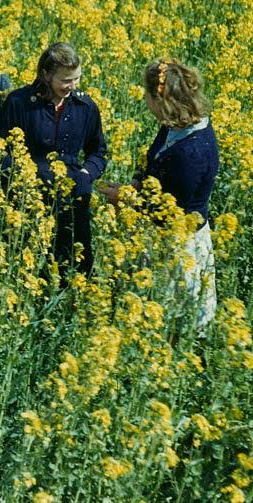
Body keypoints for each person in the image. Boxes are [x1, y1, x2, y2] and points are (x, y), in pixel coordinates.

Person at [99, 59, 219, 330]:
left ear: (161, 99)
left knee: (174, 321)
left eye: (147, 94)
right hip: (154, 235)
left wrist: (125, 198)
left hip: (178, 245)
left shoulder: (193, 151)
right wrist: (133, 185)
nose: (144, 100)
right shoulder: (173, 125)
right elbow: (152, 162)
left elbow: (173, 212)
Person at [0, 42, 108, 277]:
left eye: (76, 79)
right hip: (26, 198)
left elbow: (98, 151)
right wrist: (19, 176)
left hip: (72, 196)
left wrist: (86, 175)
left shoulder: (85, 106)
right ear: (45, 74)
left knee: (74, 264)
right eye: (65, 80)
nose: (72, 86)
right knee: (25, 267)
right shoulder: (19, 102)